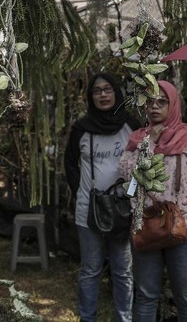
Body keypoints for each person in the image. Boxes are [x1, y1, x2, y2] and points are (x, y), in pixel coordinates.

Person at [118, 80, 187, 322]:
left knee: (186, 298)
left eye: (162, 102)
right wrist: (149, 143)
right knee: (145, 295)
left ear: (173, 105)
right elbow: (125, 175)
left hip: (185, 229)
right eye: (150, 101)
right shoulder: (137, 139)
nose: (154, 107)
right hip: (147, 227)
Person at [64, 72, 141, 322]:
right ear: (91, 97)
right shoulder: (81, 129)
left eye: (108, 89)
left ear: (116, 92)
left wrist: (130, 194)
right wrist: (82, 191)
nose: (103, 95)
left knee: (122, 271)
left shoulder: (131, 125)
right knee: (90, 270)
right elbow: (70, 163)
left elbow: (144, 163)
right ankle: (87, 318)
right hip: (89, 211)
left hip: (122, 210)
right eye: (97, 91)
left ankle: (124, 319)